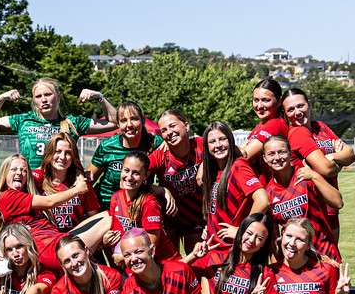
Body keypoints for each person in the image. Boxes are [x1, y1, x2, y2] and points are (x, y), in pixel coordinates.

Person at [0, 154, 93, 273]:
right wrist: (77, 189)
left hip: (56, 240)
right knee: (107, 219)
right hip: (49, 249)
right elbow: (49, 202)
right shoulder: (7, 196)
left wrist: (79, 173)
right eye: (13, 169)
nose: (19, 173)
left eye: (23, 170)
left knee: (104, 219)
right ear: (4, 174)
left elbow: (46, 167)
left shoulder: (28, 188)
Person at [282, 88, 354, 242]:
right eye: (290, 109)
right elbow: (326, 169)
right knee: (318, 254)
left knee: (331, 254)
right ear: (285, 114)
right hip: (313, 208)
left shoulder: (320, 127)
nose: (297, 112)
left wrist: (332, 157)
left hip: (330, 204)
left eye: (300, 106)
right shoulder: (297, 133)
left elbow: (350, 154)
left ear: (309, 105)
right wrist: (339, 164)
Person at [0, 77, 116, 167]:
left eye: (48, 94)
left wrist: (100, 97)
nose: (43, 99)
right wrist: (1, 98)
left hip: (61, 188)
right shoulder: (22, 120)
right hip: (31, 186)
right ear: (34, 100)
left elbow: (115, 122)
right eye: (38, 96)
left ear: (57, 96)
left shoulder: (73, 122)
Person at [199, 121, 269, 267]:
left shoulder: (238, 166)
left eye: (222, 139)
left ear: (231, 141)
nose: (218, 145)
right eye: (212, 141)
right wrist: (210, 226)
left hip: (231, 252)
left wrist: (243, 230)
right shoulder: (214, 171)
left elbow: (263, 200)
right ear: (206, 147)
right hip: (213, 248)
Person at [262, 135, 342, 262]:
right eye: (271, 154)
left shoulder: (306, 175)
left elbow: (338, 202)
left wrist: (315, 176)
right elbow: (275, 241)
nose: (277, 157)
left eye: (282, 152)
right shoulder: (268, 193)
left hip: (325, 255)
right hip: (296, 262)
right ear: (265, 158)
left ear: (290, 154)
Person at [103, 151, 178, 266]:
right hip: (136, 263)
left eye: (136, 173)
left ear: (145, 176)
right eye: (126, 170)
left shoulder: (149, 203)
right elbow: (118, 235)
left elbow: (151, 246)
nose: (129, 177)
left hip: (162, 264)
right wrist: (106, 240)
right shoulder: (116, 197)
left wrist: (123, 257)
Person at [149, 109, 205, 254]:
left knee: (197, 261)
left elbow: (233, 151)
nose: (169, 132)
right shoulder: (160, 155)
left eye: (173, 126)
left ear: (186, 125)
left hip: (197, 219)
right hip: (171, 219)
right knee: (171, 263)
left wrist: (206, 163)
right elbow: (136, 180)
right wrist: (161, 190)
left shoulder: (201, 145)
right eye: (164, 130)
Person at [33, 132, 108, 239]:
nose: (62, 157)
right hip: (45, 239)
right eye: (57, 151)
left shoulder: (82, 184)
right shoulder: (37, 181)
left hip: (74, 239)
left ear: (73, 157)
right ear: (49, 153)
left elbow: (94, 218)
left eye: (68, 153)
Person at [89, 100, 163, 205]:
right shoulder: (107, 146)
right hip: (105, 205)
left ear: (142, 120)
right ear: (118, 124)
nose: (129, 125)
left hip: (139, 207)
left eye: (134, 119)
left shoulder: (156, 143)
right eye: (123, 120)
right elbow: (88, 180)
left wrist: (164, 191)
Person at [240, 77, 287, 166]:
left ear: (279, 101)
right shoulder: (261, 124)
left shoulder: (275, 124)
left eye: (265, 100)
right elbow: (242, 148)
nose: (259, 106)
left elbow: (244, 155)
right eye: (256, 100)